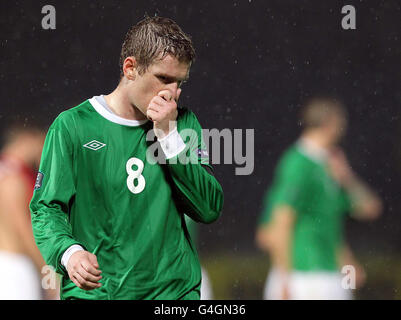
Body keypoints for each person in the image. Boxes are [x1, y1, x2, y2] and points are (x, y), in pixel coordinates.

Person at [30, 16, 223, 300]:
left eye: (179, 83)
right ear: (130, 68)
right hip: (98, 294)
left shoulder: (182, 124)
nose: (172, 93)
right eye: (164, 79)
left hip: (173, 295)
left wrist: (168, 137)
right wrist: (69, 253)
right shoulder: (73, 126)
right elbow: (46, 208)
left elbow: (208, 208)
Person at [256, 97, 382, 300]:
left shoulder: (331, 165)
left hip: (330, 275)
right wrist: (284, 279)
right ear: (329, 123)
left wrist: (347, 178)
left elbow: (369, 209)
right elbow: (278, 224)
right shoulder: (298, 163)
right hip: (305, 278)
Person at [0, 120, 59, 299]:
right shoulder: (13, 179)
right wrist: (48, 271)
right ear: (28, 138)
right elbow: (25, 231)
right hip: (14, 266)